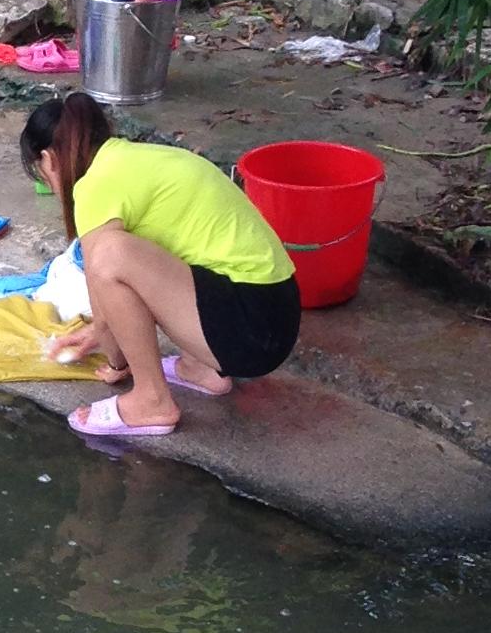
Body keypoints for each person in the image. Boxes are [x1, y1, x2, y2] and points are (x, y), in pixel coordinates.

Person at [19, 93, 301, 438]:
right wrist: (98, 331)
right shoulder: (144, 159)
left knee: (110, 253)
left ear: (47, 160)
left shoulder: (94, 186)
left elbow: (105, 291)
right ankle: (200, 369)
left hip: (250, 334)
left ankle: (151, 401)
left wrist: (114, 359)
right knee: (161, 244)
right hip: (276, 314)